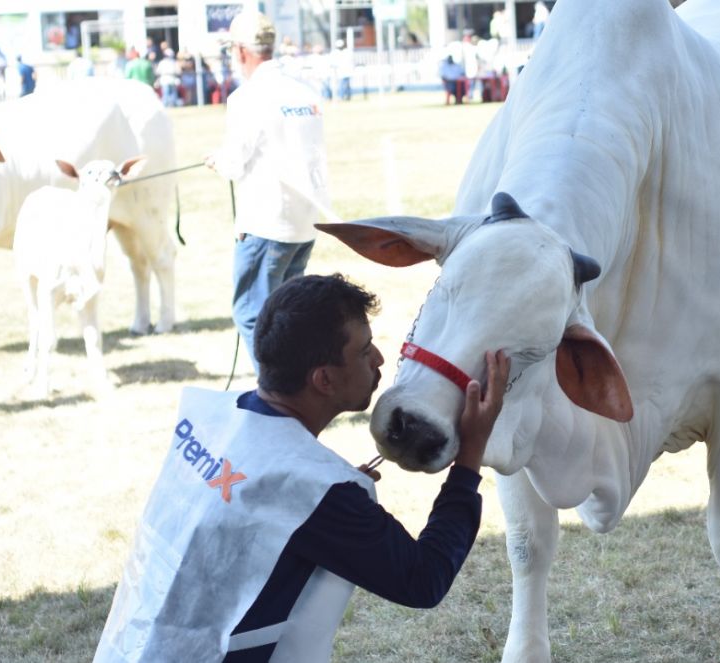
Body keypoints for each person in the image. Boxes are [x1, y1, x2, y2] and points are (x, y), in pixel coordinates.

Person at [93, 273, 511, 662]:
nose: (379, 359)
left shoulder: (212, 416)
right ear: (323, 380)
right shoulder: (319, 493)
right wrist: (470, 455)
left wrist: (325, 504)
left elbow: (251, 504)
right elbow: (424, 579)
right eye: (364, 351)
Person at [204, 10, 331, 374]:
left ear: (241, 51)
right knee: (289, 315)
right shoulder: (304, 93)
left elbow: (234, 163)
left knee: (252, 313)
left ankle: (278, 388)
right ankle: (298, 383)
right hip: (304, 222)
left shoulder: (247, 97)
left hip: (266, 222)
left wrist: (217, 161)